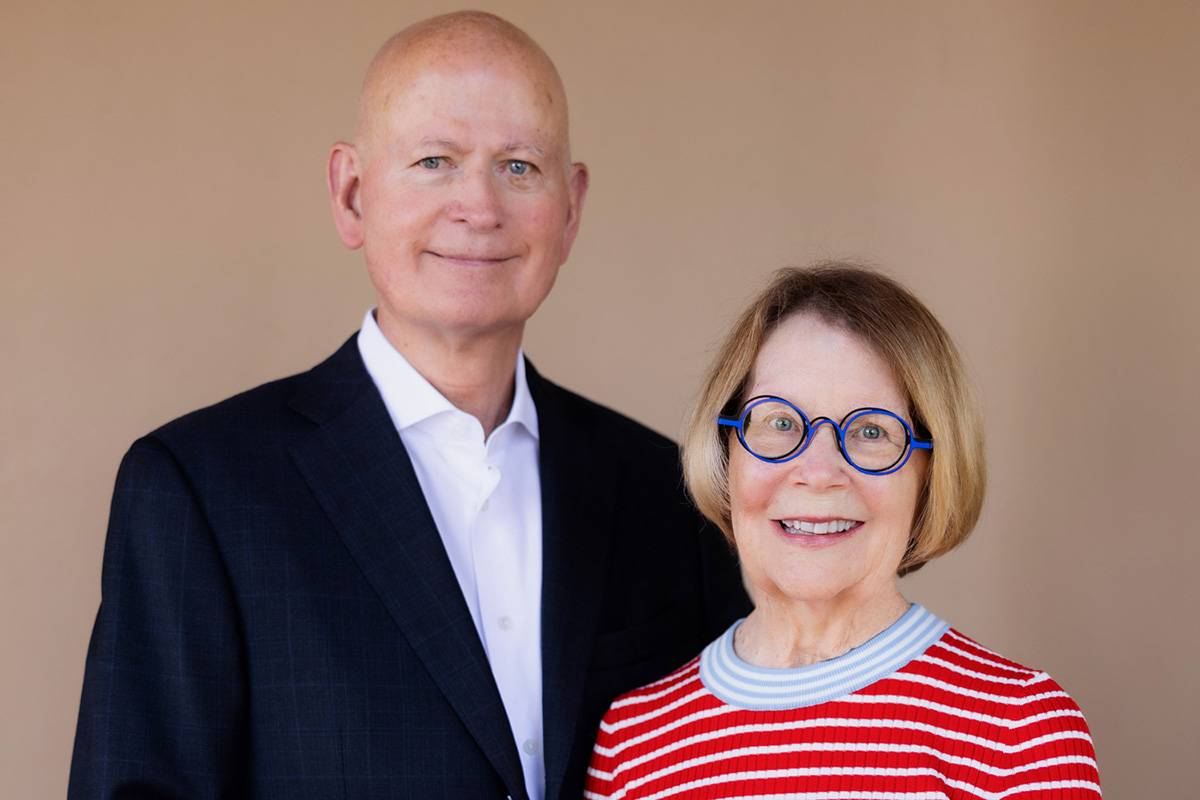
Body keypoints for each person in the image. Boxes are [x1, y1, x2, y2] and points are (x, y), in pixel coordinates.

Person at [68, 12, 748, 800]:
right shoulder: (203, 489)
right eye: (434, 160)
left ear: (571, 207)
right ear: (352, 195)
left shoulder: (669, 491)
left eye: (520, 167)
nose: (479, 206)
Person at [585, 264, 1101, 799]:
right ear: (725, 451)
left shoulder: (1019, 730)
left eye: (871, 431)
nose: (819, 471)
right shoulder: (635, 741)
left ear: (930, 473)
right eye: (780, 422)